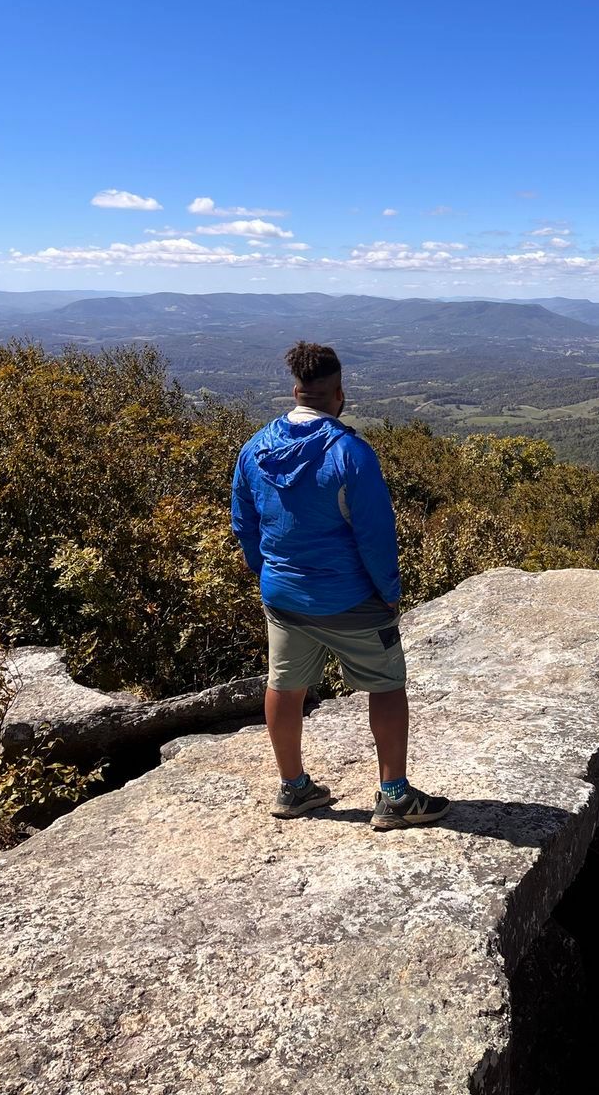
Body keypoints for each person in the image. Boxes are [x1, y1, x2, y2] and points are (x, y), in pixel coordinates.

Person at [231, 340, 450, 830]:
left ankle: (294, 788)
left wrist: (265, 572)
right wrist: (389, 590)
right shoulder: (350, 453)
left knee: (285, 685)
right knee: (388, 686)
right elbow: (375, 534)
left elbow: (244, 524)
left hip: (283, 596)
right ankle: (394, 796)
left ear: (296, 391)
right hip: (349, 597)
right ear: (339, 394)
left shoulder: (254, 448)